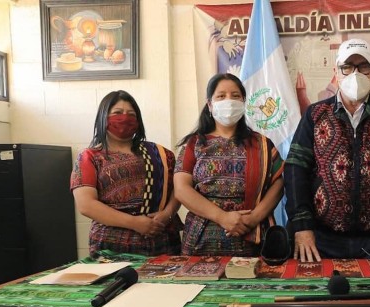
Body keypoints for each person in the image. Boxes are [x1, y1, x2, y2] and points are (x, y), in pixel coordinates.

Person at [284, 38, 370, 262]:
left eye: (363, 66)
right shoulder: (315, 114)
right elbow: (295, 170)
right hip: (320, 239)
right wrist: (301, 227)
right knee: (316, 285)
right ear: (336, 72)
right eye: (347, 67)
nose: (355, 73)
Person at [174, 73, 284, 256]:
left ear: (243, 102)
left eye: (235, 96)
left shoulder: (262, 144)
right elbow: (181, 189)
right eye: (221, 96)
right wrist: (222, 217)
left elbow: (278, 184)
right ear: (210, 104)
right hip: (200, 242)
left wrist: (254, 217)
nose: (229, 101)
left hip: (252, 239)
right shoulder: (194, 144)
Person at [71, 90, 182, 257]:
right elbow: (86, 205)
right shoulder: (89, 157)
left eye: (131, 114)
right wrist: (135, 223)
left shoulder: (162, 154)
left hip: (163, 241)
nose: (125, 118)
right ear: (103, 117)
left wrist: (167, 214)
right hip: (111, 246)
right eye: (117, 113)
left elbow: (179, 189)